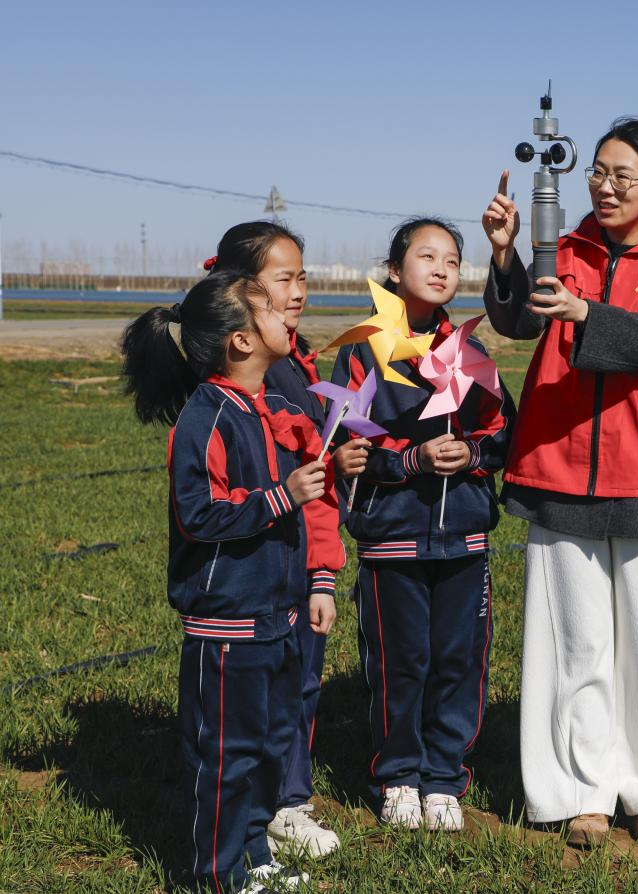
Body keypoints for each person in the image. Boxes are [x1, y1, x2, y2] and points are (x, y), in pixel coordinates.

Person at [481, 117, 638, 846]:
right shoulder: (566, 248)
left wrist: (585, 310)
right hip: (557, 465)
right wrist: (505, 257)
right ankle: (579, 790)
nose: (606, 188)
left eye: (624, 177)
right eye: (599, 174)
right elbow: (518, 321)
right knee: (574, 640)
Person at [120, 269, 343, 894]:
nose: (286, 313)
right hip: (226, 625)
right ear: (242, 342)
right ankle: (216, 876)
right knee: (227, 759)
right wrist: (281, 497)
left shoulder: (263, 408)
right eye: (270, 307)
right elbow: (198, 515)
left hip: (275, 616)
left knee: (270, 748)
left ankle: (253, 859)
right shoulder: (205, 418)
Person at [330, 218, 514, 832]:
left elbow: (504, 434)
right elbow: (347, 447)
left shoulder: (471, 354)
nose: (441, 268)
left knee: (458, 659)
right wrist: (410, 459)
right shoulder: (363, 351)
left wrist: (474, 454)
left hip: (462, 534)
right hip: (394, 537)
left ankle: (444, 777)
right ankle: (399, 774)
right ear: (393, 271)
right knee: (400, 659)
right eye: (426, 256)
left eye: (453, 260)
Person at [205, 220, 365, 858]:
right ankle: (262, 809)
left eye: (303, 276)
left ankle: (286, 798)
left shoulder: (294, 360)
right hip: (259, 568)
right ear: (242, 292)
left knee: (300, 680)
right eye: (283, 279)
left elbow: (314, 476)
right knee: (264, 692)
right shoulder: (241, 376)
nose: (298, 290)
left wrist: (323, 568)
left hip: (302, 562)